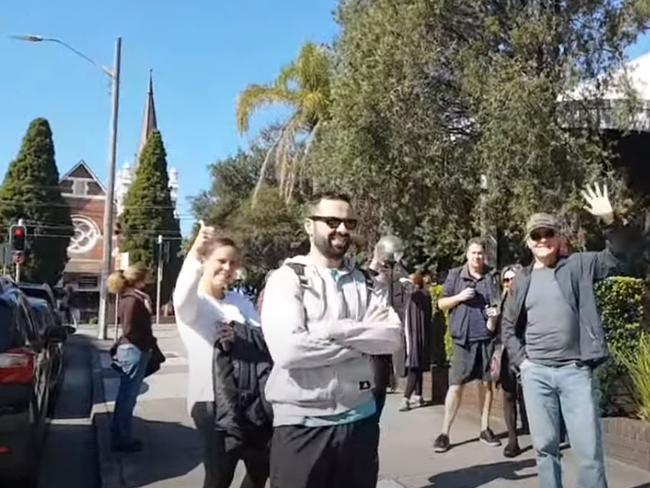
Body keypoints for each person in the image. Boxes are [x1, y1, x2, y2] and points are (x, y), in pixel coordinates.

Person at [261, 192, 402, 488]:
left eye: (348, 222)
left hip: (359, 424)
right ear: (308, 225)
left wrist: (332, 329)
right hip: (302, 426)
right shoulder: (288, 278)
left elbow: (391, 337)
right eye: (332, 221)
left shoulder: (366, 281)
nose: (342, 229)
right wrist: (361, 341)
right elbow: (289, 351)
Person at [502, 182, 630, 488]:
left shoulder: (579, 265)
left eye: (549, 234)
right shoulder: (521, 280)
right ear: (529, 242)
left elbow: (619, 258)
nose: (543, 239)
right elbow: (507, 327)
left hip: (575, 372)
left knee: (588, 452)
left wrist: (610, 221)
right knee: (545, 449)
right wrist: (523, 363)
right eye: (537, 235)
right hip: (537, 376)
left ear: (558, 238)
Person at [173, 224, 269, 488]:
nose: (227, 268)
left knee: (261, 469)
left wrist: (241, 337)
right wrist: (193, 251)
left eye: (233, 263)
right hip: (211, 402)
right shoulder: (196, 305)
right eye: (221, 261)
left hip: (252, 398)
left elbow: (264, 339)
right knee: (220, 476)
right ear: (205, 261)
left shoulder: (240, 301)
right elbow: (181, 297)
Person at [433, 238, 501, 453]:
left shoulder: (491, 276)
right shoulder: (455, 275)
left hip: (486, 339)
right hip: (463, 339)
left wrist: (493, 316)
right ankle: (444, 432)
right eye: (473, 253)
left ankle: (484, 428)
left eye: (480, 253)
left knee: (486, 385)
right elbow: (441, 303)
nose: (477, 257)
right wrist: (459, 297)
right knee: (456, 385)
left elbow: (496, 305)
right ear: (467, 255)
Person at [107, 263, 156, 452]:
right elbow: (129, 328)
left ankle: (122, 435)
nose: (149, 280)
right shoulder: (132, 300)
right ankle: (121, 437)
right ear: (140, 278)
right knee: (127, 397)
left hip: (134, 349)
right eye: (147, 276)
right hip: (133, 350)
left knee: (128, 396)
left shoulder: (134, 298)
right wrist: (144, 344)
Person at [497, 264, 529, 458]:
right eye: (506, 280)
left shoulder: (527, 299)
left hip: (526, 352)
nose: (509, 283)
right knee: (508, 395)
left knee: (529, 395)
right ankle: (512, 440)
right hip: (505, 354)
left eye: (513, 279)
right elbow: (492, 330)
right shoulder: (500, 302)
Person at [399, 272, 433, 411]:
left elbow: (410, 289)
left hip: (416, 336)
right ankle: (418, 396)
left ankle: (406, 398)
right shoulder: (417, 296)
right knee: (416, 366)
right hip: (413, 335)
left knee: (414, 365)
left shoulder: (420, 295)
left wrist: (407, 281)